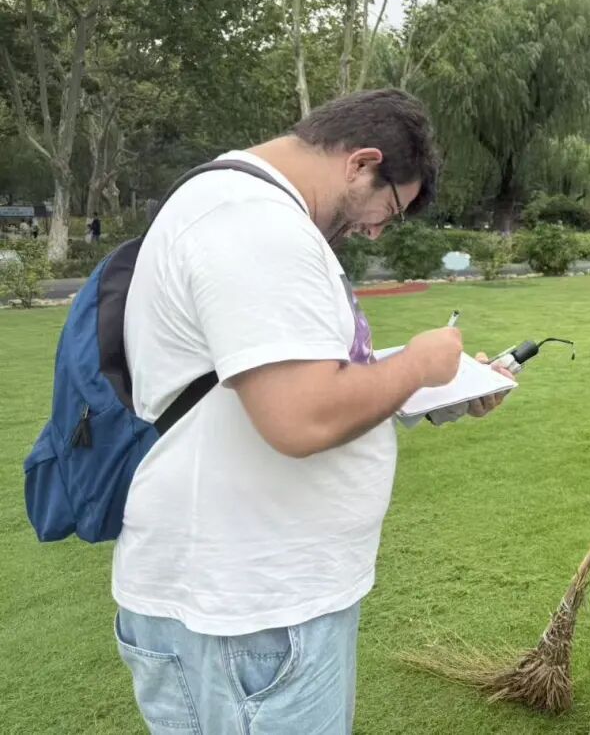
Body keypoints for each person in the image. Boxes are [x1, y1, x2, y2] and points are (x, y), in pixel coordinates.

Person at [115, 89, 512, 733]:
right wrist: (416, 365)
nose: (379, 226)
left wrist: (436, 388)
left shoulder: (244, 212)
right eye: (391, 206)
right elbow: (300, 417)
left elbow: (292, 380)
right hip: (250, 614)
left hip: (249, 605)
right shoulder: (256, 224)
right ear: (362, 163)